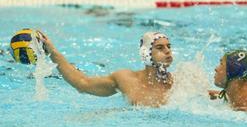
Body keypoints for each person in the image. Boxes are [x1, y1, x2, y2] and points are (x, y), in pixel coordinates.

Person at [40, 31, 173, 107]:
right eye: (160, 48)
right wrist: (52, 52)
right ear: (146, 53)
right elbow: (82, 83)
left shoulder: (180, 81)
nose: (168, 51)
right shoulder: (126, 79)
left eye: (169, 46)